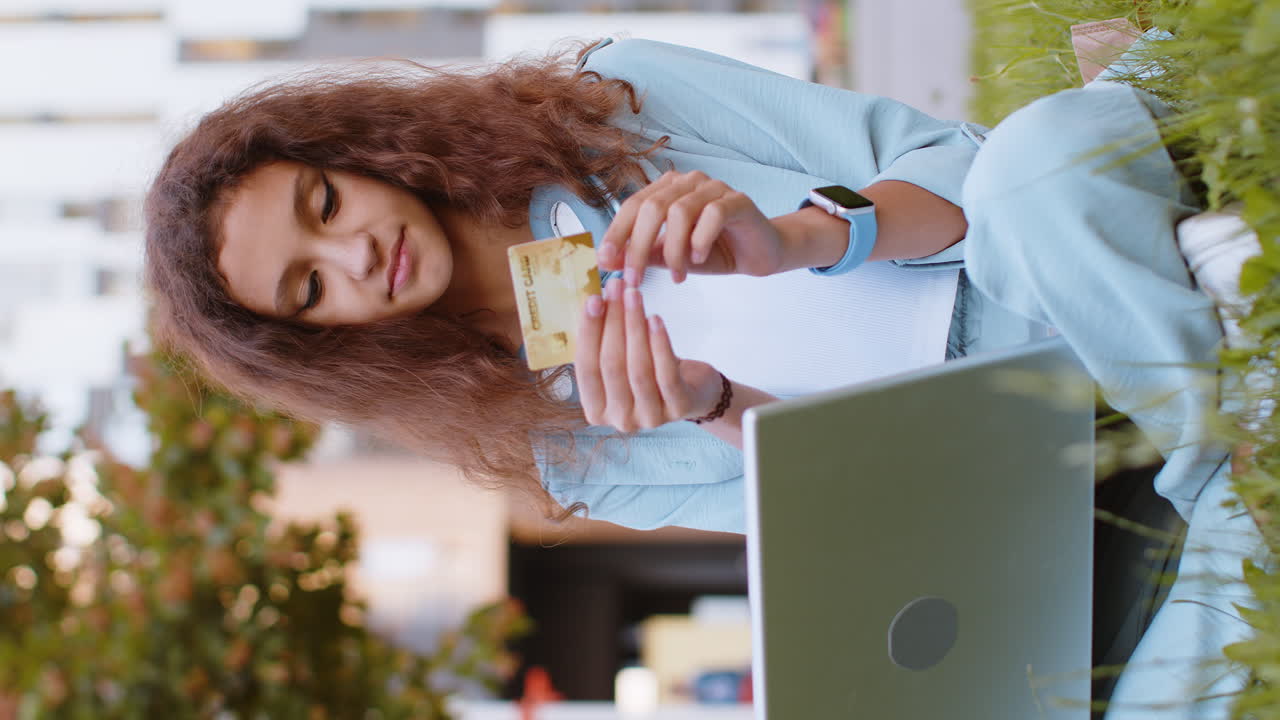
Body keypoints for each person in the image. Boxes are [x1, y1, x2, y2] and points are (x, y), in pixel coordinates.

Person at [146, 35, 1260, 717]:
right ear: (326, 338)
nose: (353, 258)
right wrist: (719, 409)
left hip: (1029, 251)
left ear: (351, 153)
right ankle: (1218, 409)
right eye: (309, 290)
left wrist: (802, 237)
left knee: (1034, 173)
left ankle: (1225, 463)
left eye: (325, 206)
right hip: (1037, 454)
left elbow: (954, 163)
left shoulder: (606, 103)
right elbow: (891, 518)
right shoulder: (563, 453)